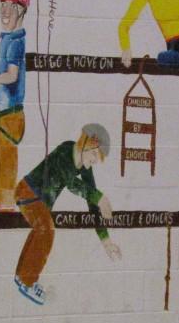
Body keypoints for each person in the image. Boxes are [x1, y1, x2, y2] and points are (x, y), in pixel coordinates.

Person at [14, 123, 122, 305]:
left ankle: (22, 277)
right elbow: (71, 183)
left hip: (40, 202)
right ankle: (27, 281)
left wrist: (106, 240)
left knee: (41, 229)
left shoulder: (85, 167)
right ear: (85, 143)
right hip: (28, 192)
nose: (95, 160)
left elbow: (91, 202)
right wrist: (99, 197)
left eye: (99, 157)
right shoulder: (65, 151)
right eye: (95, 154)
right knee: (46, 230)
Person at [0, 0, 29, 212]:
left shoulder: (15, 41)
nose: (5, 11)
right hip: (7, 111)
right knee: (3, 155)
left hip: (11, 112)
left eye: (11, 6)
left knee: (7, 158)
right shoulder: (7, 37)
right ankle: (2, 197)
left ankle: (6, 201)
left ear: (22, 10)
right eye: (2, 4)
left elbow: (12, 76)